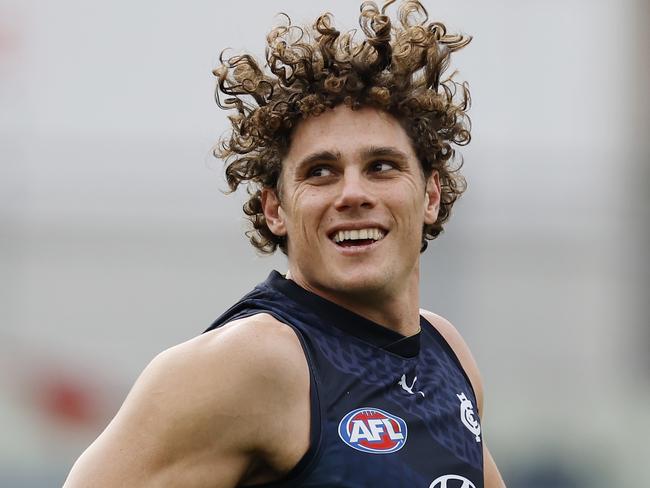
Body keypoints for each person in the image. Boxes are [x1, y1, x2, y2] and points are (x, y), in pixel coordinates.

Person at [64, 1, 505, 486]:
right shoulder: (256, 361)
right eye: (321, 172)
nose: (353, 193)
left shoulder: (447, 354)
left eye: (382, 165)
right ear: (275, 209)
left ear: (431, 196)